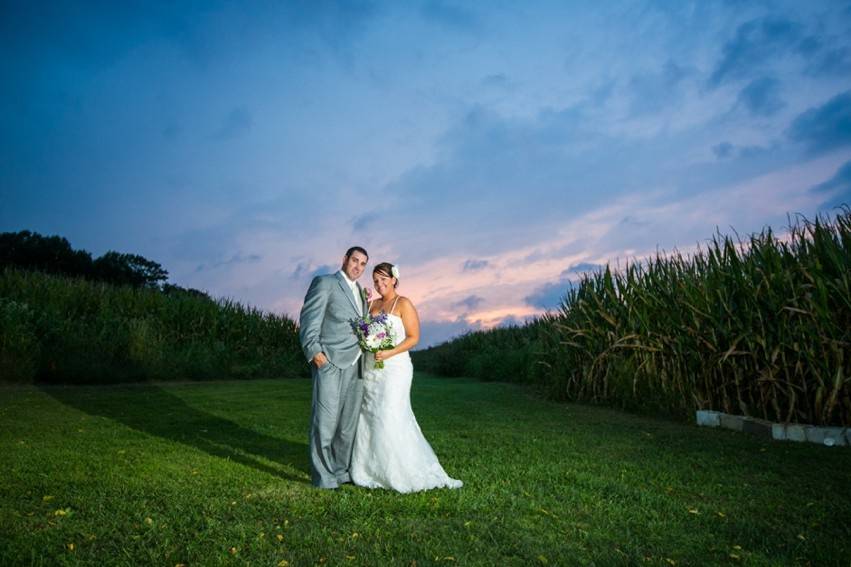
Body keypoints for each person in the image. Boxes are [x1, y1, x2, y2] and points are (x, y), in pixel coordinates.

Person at [350, 262, 463, 493]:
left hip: (395, 369)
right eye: (376, 281)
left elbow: (413, 337)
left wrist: (389, 352)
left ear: (394, 279)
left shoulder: (404, 303)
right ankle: (369, 469)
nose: (380, 284)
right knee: (370, 414)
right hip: (372, 369)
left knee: (390, 413)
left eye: (384, 279)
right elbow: (363, 330)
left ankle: (400, 470)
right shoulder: (372, 305)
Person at [299, 246, 369, 489]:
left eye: (363, 264)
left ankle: (340, 471)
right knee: (325, 422)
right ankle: (324, 477)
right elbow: (309, 319)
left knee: (347, 425)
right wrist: (315, 353)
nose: (358, 267)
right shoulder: (325, 282)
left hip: (357, 364)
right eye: (355, 261)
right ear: (345, 260)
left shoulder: (361, 292)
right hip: (330, 361)